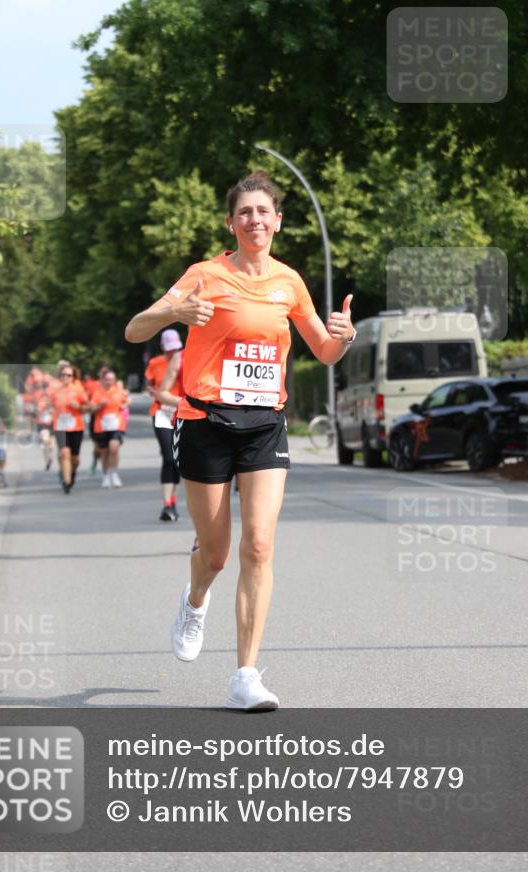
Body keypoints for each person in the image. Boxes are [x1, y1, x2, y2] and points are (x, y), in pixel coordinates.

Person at [125, 170, 355, 710]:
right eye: (245, 212)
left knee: (258, 545)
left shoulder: (289, 283)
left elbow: (323, 352)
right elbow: (135, 329)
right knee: (217, 554)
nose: (255, 219)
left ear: (278, 221)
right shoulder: (204, 274)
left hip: (263, 425)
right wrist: (173, 311)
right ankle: (196, 598)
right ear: (232, 223)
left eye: (264, 211)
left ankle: (246, 675)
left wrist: (344, 339)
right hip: (204, 422)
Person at [145, 329, 185, 521]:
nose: (172, 352)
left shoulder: (186, 360)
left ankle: (173, 500)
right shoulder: (155, 363)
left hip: (182, 413)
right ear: (162, 347)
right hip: (161, 412)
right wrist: (155, 392)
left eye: (176, 348)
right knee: (168, 457)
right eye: (169, 349)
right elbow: (150, 384)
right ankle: (166, 504)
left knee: (177, 459)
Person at [88, 368, 129, 488]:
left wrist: (125, 404)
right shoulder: (98, 393)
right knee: (104, 452)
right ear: (103, 380)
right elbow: (92, 409)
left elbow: (126, 402)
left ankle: (114, 473)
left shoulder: (119, 391)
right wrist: (99, 406)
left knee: (114, 448)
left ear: (114, 380)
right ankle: (106, 475)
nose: (109, 382)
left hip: (116, 425)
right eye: (106, 379)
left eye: (111, 379)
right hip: (101, 426)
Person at [52, 364, 88, 494]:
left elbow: (87, 407)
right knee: (64, 453)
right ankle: (66, 482)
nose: (66, 377)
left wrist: (78, 406)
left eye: (69, 375)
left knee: (75, 459)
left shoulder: (78, 389)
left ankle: (72, 473)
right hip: (60, 427)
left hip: (76, 427)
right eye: (63, 375)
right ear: (59, 376)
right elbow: (48, 405)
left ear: (73, 377)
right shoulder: (54, 391)